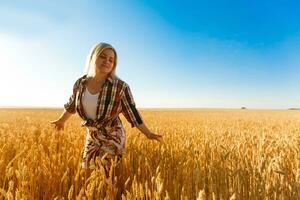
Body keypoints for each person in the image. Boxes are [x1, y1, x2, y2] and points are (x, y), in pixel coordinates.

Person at [50, 42, 162, 174]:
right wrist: (61, 121)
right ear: (93, 57)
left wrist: (147, 133)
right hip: (92, 135)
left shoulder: (120, 87)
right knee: (87, 172)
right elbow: (72, 104)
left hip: (113, 135)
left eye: (111, 60)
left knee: (107, 175)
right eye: (103, 57)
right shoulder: (80, 83)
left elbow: (132, 113)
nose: (107, 62)